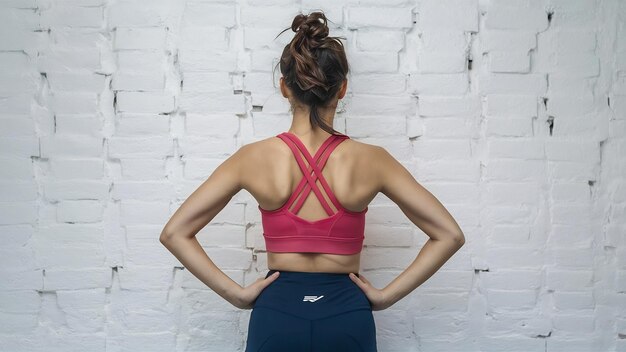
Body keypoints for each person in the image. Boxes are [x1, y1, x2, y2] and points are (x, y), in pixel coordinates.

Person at [159, 10, 465, 352]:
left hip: (277, 313)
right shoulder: (373, 160)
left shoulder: (252, 158)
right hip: (347, 313)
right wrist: (384, 297)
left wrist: (237, 294)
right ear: (343, 88)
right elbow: (449, 234)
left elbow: (174, 233)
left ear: (284, 87)